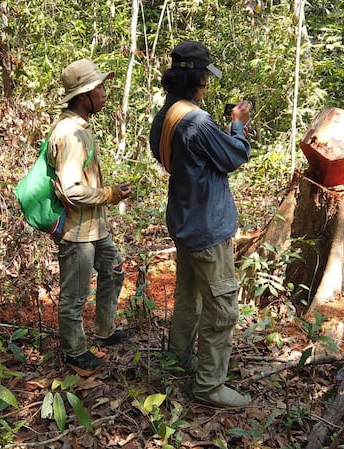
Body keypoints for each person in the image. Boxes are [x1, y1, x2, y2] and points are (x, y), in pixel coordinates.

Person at [149, 41, 252, 407]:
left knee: (187, 297)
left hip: (183, 222)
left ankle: (179, 360)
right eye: (206, 77)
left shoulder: (165, 117)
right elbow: (235, 155)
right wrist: (237, 126)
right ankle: (209, 385)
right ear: (200, 79)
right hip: (207, 228)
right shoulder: (197, 121)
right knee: (222, 307)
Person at [48, 58, 134, 371]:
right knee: (75, 294)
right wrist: (109, 194)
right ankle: (74, 351)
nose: (104, 93)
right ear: (83, 95)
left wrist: (109, 191)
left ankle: (106, 331)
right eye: (99, 87)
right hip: (76, 231)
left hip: (94, 226)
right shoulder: (71, 134)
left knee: (113, 268)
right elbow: (71, 190)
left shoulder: (80, 128)